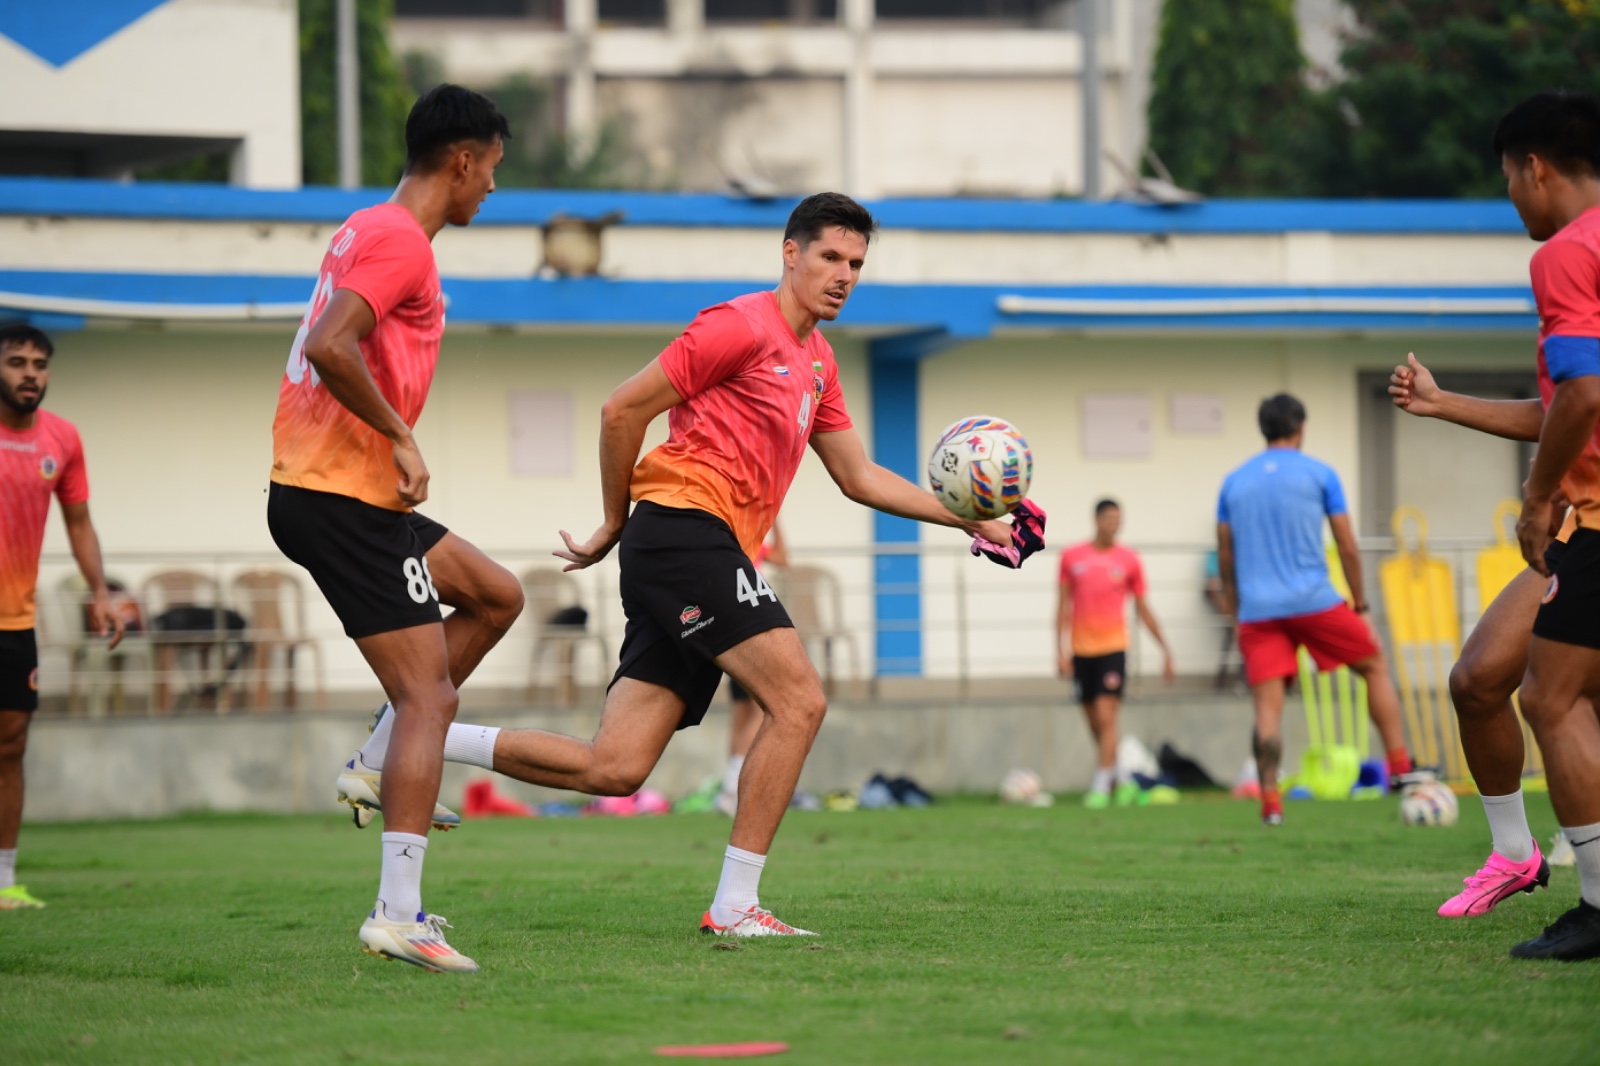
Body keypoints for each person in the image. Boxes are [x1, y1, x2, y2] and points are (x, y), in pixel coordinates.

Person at [421, 192, 1028, 937]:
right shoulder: (738, 326)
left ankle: (419, 733)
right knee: (800, 701)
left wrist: (977, 520)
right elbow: (622, 410)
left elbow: (859, 476)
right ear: (791, 254)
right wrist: (615, 519)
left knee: (615, 767)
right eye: (831, 257)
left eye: (857, 264)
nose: (843, 275)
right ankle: (737, 905)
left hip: (695, 551)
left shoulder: (818, 363)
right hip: (682, 534)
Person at [267, 86, 524, 972]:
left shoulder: (367, 228)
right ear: (462, 159)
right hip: (342, 495)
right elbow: (335, 344)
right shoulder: (396, 239)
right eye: (492, 166)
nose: (493, 184)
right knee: (431, 698)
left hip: (349, 492)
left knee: (496, 595)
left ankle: (379, 763)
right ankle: (400, 913)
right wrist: (403, 436)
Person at [1389, 351, 1567, 912]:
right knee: (1478, 679)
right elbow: (1562, 410)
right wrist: (1439, 402)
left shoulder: (1566, 275)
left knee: (1561, 700)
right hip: (1581, 531)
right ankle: (1515, 853)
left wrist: (1540, 489)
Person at [1487, 91, 1600, 961]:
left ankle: (1598, 907)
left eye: (1510, 181)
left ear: (1536, 168)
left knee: (1549, 697)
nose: (1514, 201)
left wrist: (1535, 500)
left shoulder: (1568, 253)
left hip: (1596, 520)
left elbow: (1581, 392)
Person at [1216, 394, 1414, 826]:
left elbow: (1225, 555)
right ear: (1299, 427)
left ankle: (1271, 803)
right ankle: (1401, 769)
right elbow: (1346, 544)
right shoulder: (1320, 473)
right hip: (1314, 602)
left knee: (1267, 709)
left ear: (1263, 429)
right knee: (1375, 665)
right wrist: (1360, 605)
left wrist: (1236, 609)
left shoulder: (1234, 482)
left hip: (1258, 611)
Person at [0, 324, 125, 909]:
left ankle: (3, 883)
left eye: (39, 364)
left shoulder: (62, 439)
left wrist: (99, 592)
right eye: (17, 362)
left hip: (15, 622)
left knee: (11, 745)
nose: (30, 373)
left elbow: (79, 523)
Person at [1056, 499, 1174, 808]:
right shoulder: (1072, 557)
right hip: (1081, 651)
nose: (1114, 524)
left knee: (1107, 718)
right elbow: (1063, 606)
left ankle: (1099, 788)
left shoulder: (1129, 560)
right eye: (1109, 518)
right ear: (1096, 519)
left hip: (1113, 649)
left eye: (1118, 519)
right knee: (1094, 722)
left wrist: (1165, 649)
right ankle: (1122, 780)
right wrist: (1060, 650)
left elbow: (1143, 608)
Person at [718, 521, 788, 817]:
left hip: (728, 631)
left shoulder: (726, 547)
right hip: (747, 630)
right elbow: (785, 559)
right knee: (762, 709)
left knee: (741, 712)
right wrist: (774, 518)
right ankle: (734, 787)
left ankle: (729, 788)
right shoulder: (745, 547)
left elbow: (782, 559)